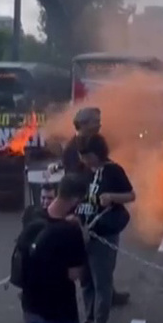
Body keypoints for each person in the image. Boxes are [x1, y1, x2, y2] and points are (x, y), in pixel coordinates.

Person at [0, 174, 89, 323]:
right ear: (76, 200)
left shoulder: (32, 215)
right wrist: (82, 235)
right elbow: (75, 273)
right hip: (58, 308)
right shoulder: (70, 231)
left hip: (30, 304)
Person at [49, 106, 130, 307]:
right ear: (83, 124)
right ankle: (98, 301)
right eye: (95, 120)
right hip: (86, 210)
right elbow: (74, 182)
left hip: (100, 209)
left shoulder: (93, 143)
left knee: (104, 258)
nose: (99, 124)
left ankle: (106, 290)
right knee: (91, 260)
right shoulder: (74, 149)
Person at [75, 134, 135, 323]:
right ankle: (89, 320)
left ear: (98, 153)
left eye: (88, 156)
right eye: (82, 156)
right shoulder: (81, 171)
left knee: (102, 282)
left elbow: (131, 195)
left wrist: (111, 197)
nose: (85, 160)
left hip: (103, 234)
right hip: (82, 232)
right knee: (85, 281)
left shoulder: (113, 171)